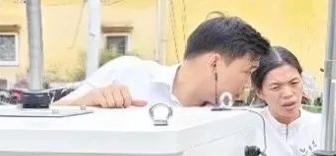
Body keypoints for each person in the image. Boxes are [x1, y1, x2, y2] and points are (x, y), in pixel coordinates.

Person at [56, 16, 269, 108]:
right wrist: (89, 103)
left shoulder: (228, 118)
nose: (248, 84)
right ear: (214, 64)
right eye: (246, 72)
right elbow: (48, 114)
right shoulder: (128, 72)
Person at [250, 46, 321, 156]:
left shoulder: (323, 127)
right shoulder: (250, 130)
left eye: (294, 83)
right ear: (259, 92)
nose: (288, 94)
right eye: (276, 87)